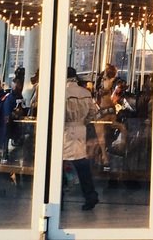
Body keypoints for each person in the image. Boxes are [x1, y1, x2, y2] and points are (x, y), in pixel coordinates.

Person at [64, 67, 100, 210]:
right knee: (82, 165)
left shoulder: (63, 93)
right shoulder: (86, 93)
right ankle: (90, 195)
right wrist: (83, 122)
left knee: (59, 164)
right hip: (81, 130)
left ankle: (56, 196)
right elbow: (93, 113)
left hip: (65, 130)